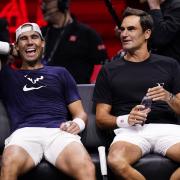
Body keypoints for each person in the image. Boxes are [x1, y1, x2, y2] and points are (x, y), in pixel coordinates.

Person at [0, 22, 96, 180]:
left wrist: (77, 124)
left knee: (86, 167)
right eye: (23, 39)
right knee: (8, 164)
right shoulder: (7, 75)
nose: (30, 42)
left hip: (58, 132)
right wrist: (10, 49)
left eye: (34, 37)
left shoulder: (60, 73)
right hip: (24, 134)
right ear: (16, 46)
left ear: (43, 43)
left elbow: (80, 113)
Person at [93, 7, 180, 180]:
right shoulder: (109, 70)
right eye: (122, 29)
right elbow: (101, 119)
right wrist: (126, 119)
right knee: (116, 160)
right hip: (131, 132)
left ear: (147, 34)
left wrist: (168, 97)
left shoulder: (170, 64)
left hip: (167, 129)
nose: (124, 34)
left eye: (131, 29)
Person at [41, 0, 109, 84]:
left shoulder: (86, 33)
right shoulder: (40, 34)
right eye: (42, 3)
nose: (43, 6)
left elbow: (102, 64)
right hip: (45, 92)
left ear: (62, 3)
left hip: (77, 94)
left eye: (47, 2)